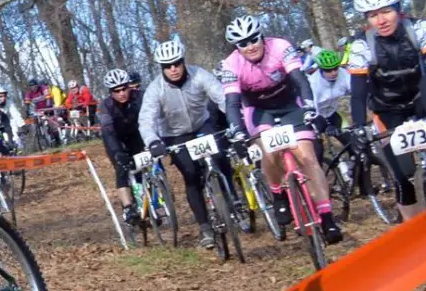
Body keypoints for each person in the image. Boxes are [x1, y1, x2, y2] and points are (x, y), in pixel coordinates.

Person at [219, 14, 343, 243]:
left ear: (262, 37)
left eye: (254, 39)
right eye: (243, 43)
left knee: (307, 157)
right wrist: (237, 131)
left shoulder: (280, 47)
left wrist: (309, 108)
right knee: (269, 152)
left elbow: (300, 80)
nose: (250, 46)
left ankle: (327, 217)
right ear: (236, 47)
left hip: (290, 104)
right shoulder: (230, 64)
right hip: (259, 110)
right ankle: (277, 192)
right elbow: (232, 103)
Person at [347, 0, 426, 221]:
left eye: (386, 11)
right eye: (372, 15)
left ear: (399, 9)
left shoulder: (419, 29)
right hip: (387, 111)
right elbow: (358, 93)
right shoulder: (361, 46)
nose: (381, 20)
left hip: (421, 98)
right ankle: (415, 234)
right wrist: (358, 126)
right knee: (404, 178)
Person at [139, 35, 232, 249]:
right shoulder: (155, 89)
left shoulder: (199, 74)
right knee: (190, 174)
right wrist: (153, 141)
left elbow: (222, 97)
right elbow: (146, 120)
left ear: (183, 61)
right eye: (167, 66)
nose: (173, 69)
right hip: (175, 135)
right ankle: (205, 228)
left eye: (177, 63)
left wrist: (237, 119)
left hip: (201, 125)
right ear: (161, 68)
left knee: (220, 155)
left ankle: (231, 199)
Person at [98, 68, 146, 227]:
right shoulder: (106, 106)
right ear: (111, 92)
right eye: (116, 91)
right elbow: (108, 131)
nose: (121, 93)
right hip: (116, 138)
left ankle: (158, 195)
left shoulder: (140, 96)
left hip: (136, 135)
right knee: (122, 168)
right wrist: (118, 152)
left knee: (147, 162)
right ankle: (128, 207)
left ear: (129, 86)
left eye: (124, 88)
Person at [308, 48, 352, 166]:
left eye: (335, 68)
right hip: (315, 118)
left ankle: (355, 171)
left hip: (332, 113)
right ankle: (318, 174)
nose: (333, 72)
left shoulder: (343, 74)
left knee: (352, 143)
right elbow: (313, 109)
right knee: (317, 152)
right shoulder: (313, 83)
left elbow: (356, 92)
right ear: (320, 69)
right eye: (328, 70)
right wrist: (326, 125)